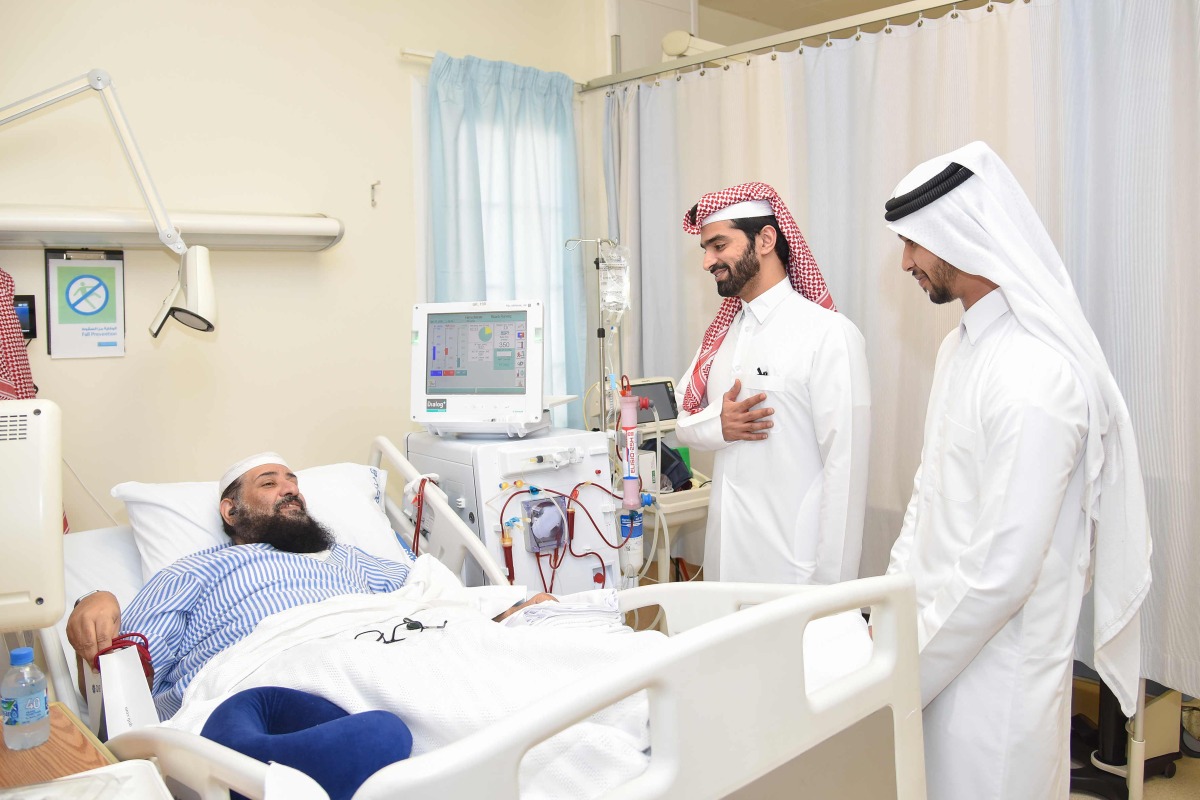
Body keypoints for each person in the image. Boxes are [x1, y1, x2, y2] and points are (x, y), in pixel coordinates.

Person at [882, 142, 1151, 800]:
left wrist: (903, 672)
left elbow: (1003, 573)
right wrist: (888, 617)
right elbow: (928, 493)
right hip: (932, 643)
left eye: (915, 243)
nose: (907, 262)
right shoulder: (959, 348)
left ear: (962, 233)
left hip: (996, 674)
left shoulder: (1038, 374)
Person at [67, 452, 552, 719]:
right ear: (231, 510)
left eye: (294, 482)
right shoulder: (195, 570)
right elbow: (127, 669)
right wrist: (96, 600)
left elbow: (429, 594)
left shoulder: (348, 557)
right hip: (261, 676)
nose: (291, 489)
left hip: (382, 654)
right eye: (269, 482)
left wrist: (502, 609)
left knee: (534, 656)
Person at [674, 182, 870, 585]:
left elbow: (846, 473)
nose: (707, 261)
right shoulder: (722, 337)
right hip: (724, 565)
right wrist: (719, 425)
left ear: (765, 239)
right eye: (705, 250)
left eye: (718, 245)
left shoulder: (828, 334)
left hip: (792, 573)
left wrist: (832, 593)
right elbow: (681, 422)